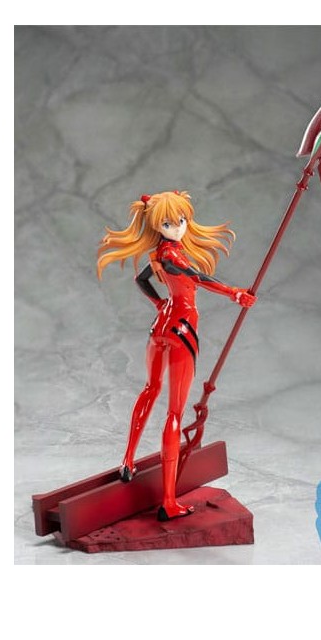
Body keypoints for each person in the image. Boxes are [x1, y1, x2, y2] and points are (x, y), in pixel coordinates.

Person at [97, 190, 256, 521]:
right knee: (174, 412)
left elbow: (141, 279)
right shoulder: (171, 255)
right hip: (181, 331)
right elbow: (196, 277)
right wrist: (234, 293)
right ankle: (168, 502)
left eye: (182, 220)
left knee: (150, 389)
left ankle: (128, 460)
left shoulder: (158, 253)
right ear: (158, 225)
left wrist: (159, 303)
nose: (178, 227)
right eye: (169, 223)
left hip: (160, 328)